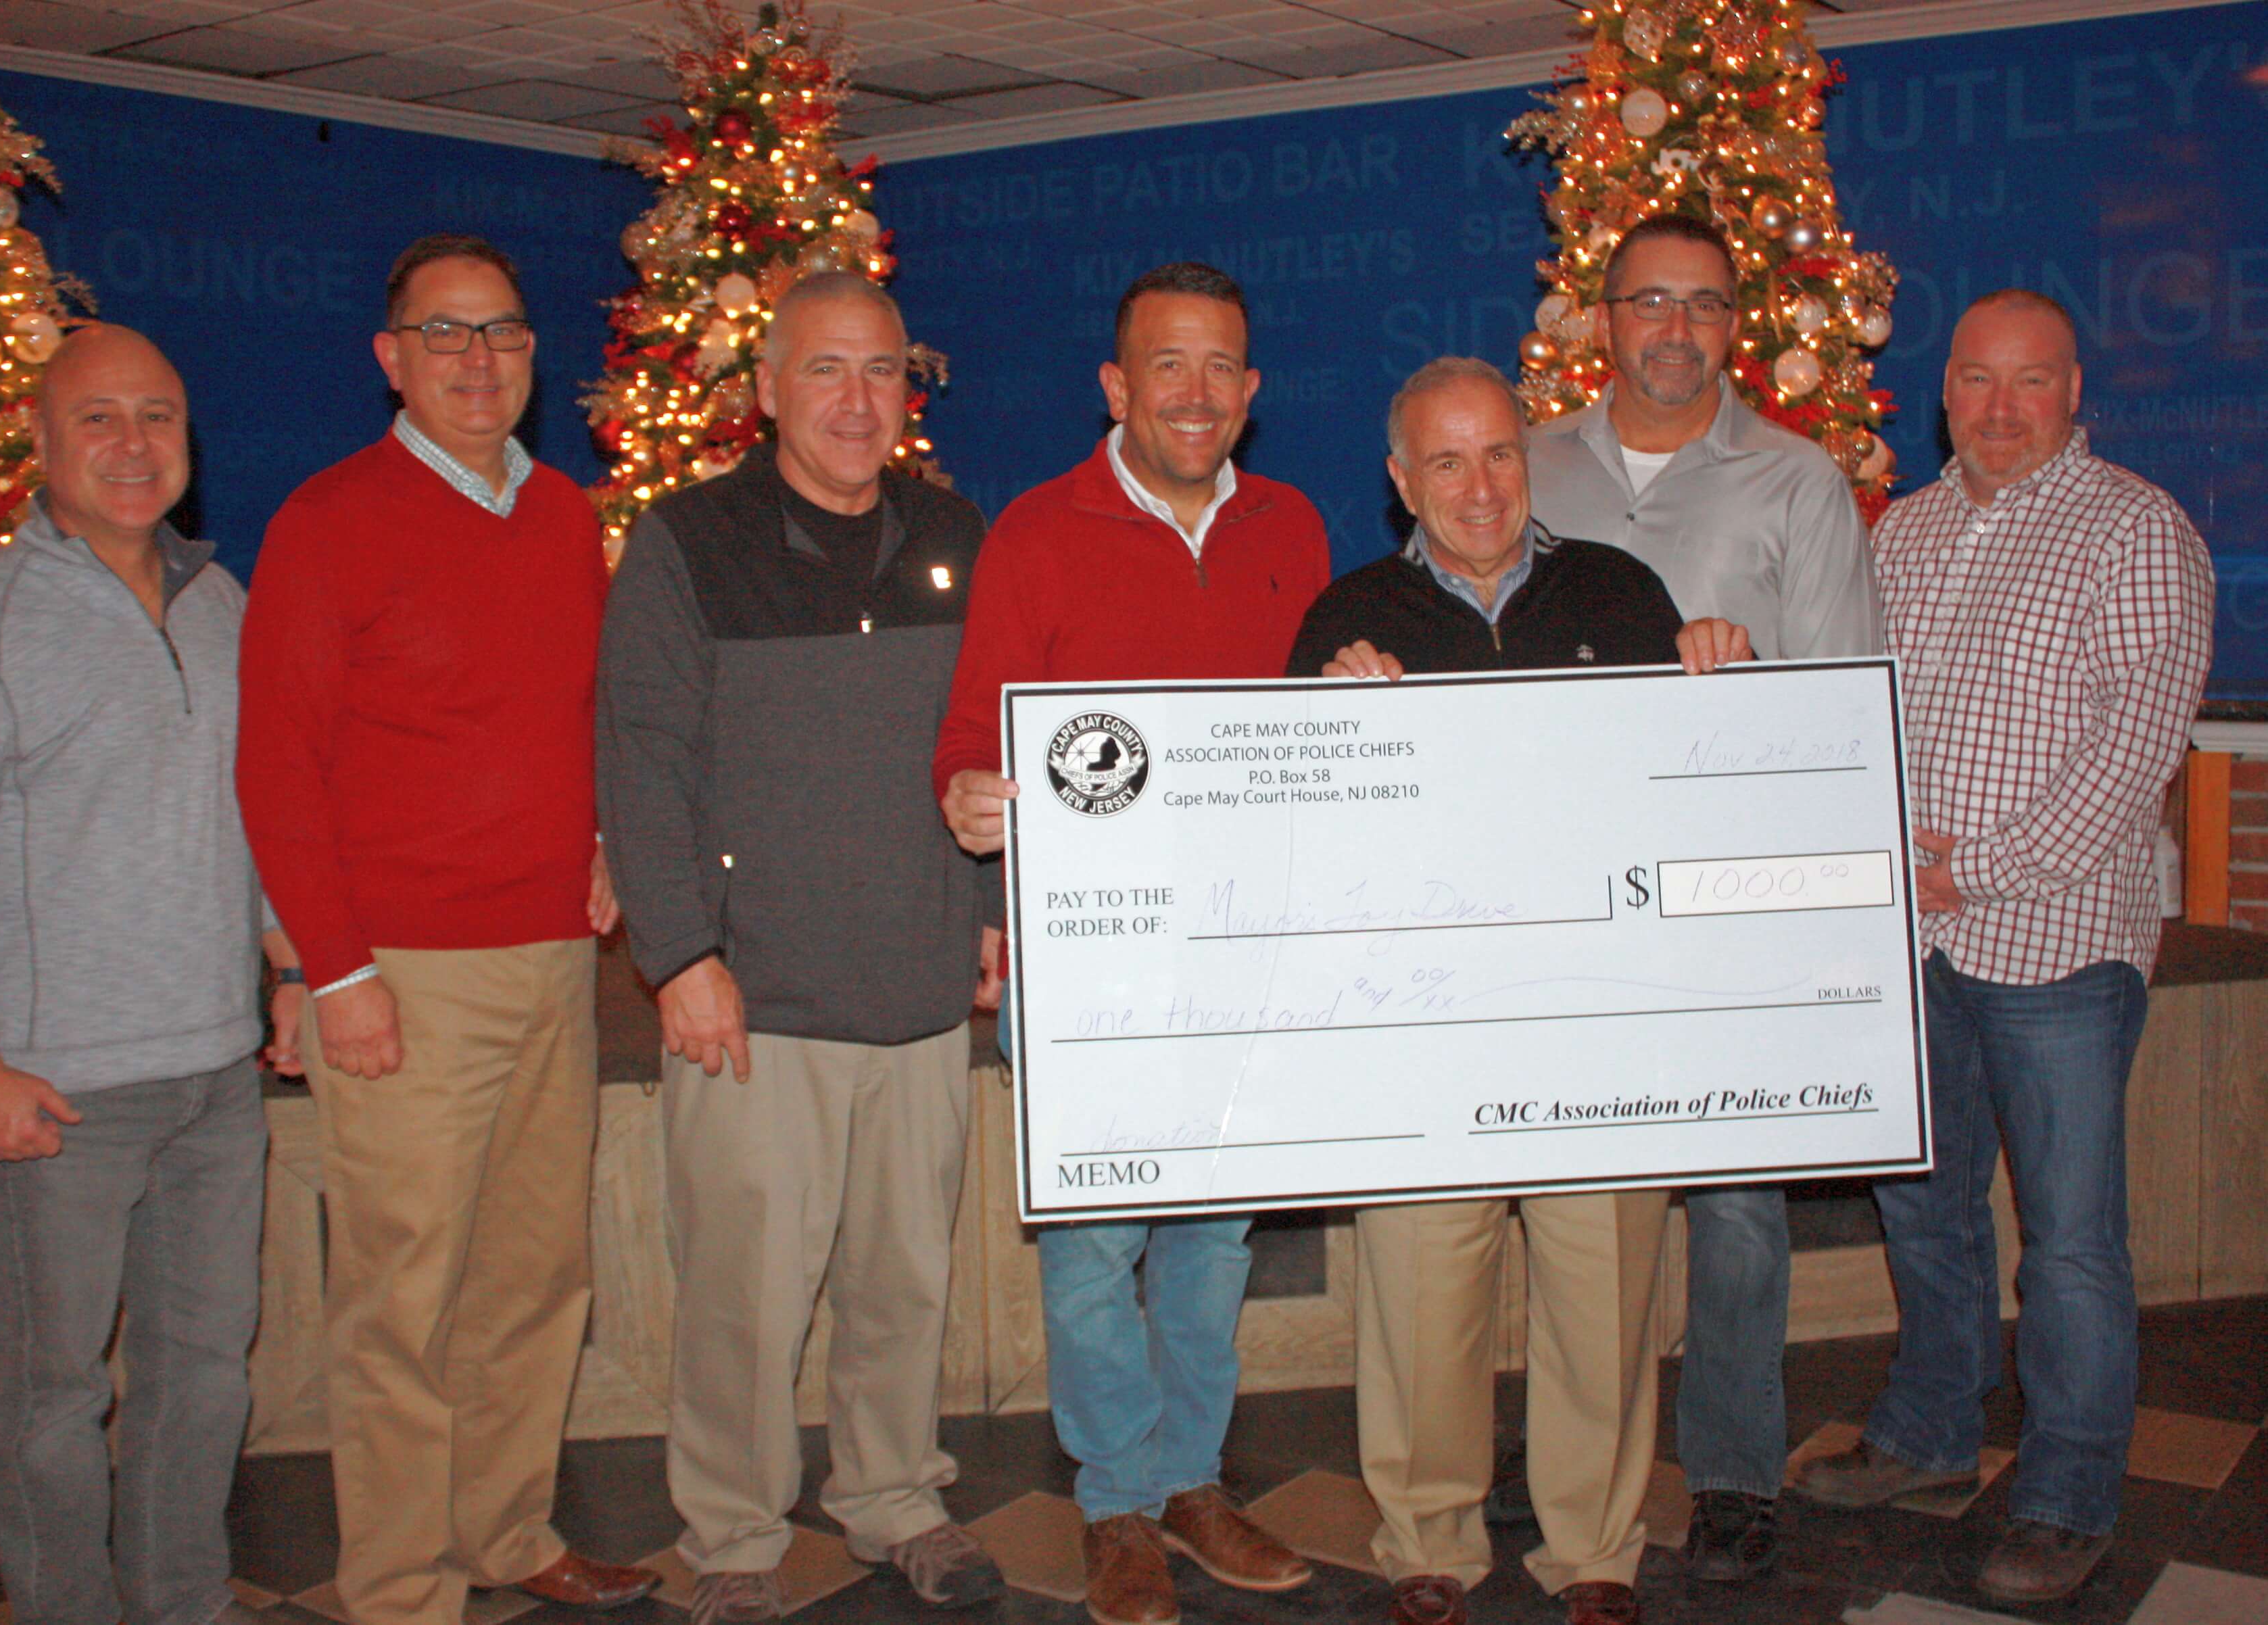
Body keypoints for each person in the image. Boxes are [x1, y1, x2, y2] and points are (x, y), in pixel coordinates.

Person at [235, 235, 654, 1625]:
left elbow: (582, 713)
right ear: (391, 356)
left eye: (504, 334)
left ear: (534, 355)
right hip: (400, 972)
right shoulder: (329, 518)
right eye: (447, 334)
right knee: (403, 1304)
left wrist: (601, 837)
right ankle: (404, 1587)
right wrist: (331, 967)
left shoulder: (561, 515)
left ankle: (508, 1526)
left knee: (536, 1274)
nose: (479, 361)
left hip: (548, 959)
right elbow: (277, 767)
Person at [0, 324, 299, 1625]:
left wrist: (284, 966)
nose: (130, 444)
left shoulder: (224, 605)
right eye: (97, 418)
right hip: (58, 1092)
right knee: (58, 1397)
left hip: (215, 1073)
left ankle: (184, 1601)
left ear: (188, 443)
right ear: (41, 443)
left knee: (204, 1374)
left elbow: (267, 806)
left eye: (156, 417)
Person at [1788, 290, 2211, 1604]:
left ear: (2074, 390)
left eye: (2031, 382)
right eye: (1977, 379)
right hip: (1912, 937)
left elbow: (2132, 752)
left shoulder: (2138, 531)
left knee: (2071, 1239)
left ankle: (2072, 1487)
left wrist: (1971, 867)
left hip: (2060, 941)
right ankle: (1926, 1430)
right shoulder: (1898, 533)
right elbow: (1855, 713)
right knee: (1926, 1202)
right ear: (1945, 392)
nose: (2002, 407)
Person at [595, 272, 1005, 1624]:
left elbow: (993, 750)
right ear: (766, 388)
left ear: (909, 391)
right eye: (825, 370)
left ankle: (893, 1497)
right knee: (744, 1302)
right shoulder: (686, 541)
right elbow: (640, 760)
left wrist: (997, 918)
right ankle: (731, 1530)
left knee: (905, 1282)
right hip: (753, 1003)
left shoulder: (958, 533)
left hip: (921, 992)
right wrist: (681, 955)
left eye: (882, 371)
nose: (855, 400)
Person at [1292, 356, 1722, 1625]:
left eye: (1498, 456)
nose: (1477, 487)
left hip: (1597, 1019)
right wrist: (1324, 724)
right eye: (1444, 461)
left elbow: (1691, 787)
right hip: (1427, 1031)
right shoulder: (1346, 620)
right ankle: (1427, 1539)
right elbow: (1303, 848)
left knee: (1605, 1288)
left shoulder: (1620, 590)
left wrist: (1717, 670)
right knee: (1422, 1293)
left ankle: (1595, 1551)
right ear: (1397, 479)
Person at [935, 262, 1329, 1625]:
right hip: (1092, 959)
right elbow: (969, 735)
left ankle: (1194, 1479)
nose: (1197, 392)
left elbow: (1320, 740)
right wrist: (970, 795)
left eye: (1222, 365)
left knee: (1213, 1242)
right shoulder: (1037, 534)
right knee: (1095, 1247)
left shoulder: (1294, 525)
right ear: (1118, 385)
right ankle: (1116, 1501)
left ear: (1252, 390)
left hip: (1244, 952)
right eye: (1169, 364)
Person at [1525, 212, 1883, 1583]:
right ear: (1602, 317)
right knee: (1566, 1185)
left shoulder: (1796, 483)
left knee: (1737, 1204)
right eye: (1648, 302)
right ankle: (1569, 1452)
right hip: (1564, 891)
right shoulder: (1529, 464)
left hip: (1735, 896)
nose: (1675, 328)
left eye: (1705, 305)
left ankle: (1734, 1465)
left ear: (1736, 323)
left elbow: (1841, 696)